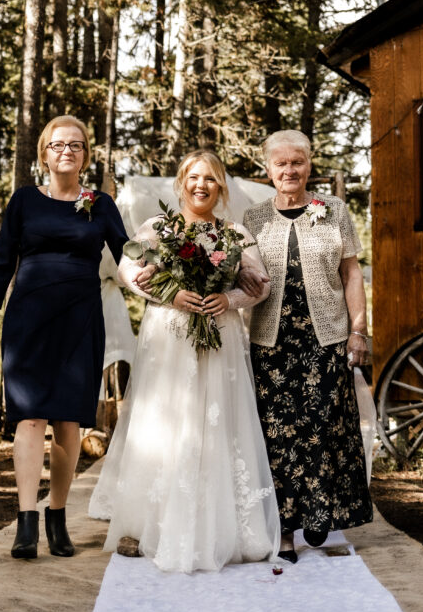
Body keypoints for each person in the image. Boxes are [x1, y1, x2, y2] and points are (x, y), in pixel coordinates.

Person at [88, 149, 280, 573]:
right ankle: (150, 521)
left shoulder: (235, 234)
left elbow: (261, 285)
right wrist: (169, 293)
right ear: (181, 182)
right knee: (164, 423)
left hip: (220, 334)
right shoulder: (159, 229)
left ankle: (223, 524)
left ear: (221, 187)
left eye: (211, 178)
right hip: (170, 336)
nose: (201, 185)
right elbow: (126, 271)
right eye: (194, 177)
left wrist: (227, 297)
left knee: (216, 420)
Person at [0, 115, 127, 560]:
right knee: (29, 418)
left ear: (85, 155)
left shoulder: (100, 204)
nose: (67, 151)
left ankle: (57, 517)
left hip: (80, 319)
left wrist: (169, 283)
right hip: (28, 318)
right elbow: (3, 260)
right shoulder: (24, 200)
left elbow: (129, 258)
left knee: (68, 422)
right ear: (44, 153)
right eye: (58, 144)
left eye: (76, 145)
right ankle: (26, 523)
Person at [239, 129, 373, 562]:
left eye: (296, 162)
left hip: (326, 337)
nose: (289, 170)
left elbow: (352, 274)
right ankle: (282, 530)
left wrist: (358, 329)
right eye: (280, 163)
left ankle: (318, 514)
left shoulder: (332, 211)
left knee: (320, 428)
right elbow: (242, 278)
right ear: (268, 169)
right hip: (270, 341)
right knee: (276, 435)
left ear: (308, 165)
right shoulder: (254, 217)